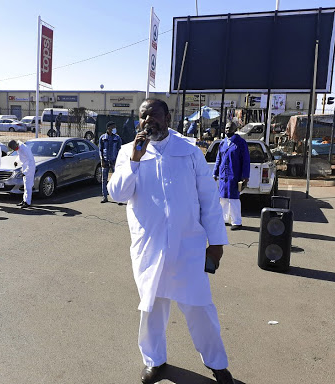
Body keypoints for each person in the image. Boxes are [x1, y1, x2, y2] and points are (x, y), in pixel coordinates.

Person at [108, 99, 235, 384]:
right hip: (149, 247)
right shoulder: (129, 152)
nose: (147, 120)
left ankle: (217, 364)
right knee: (151, 307)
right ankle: (155, 361)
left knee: (200, 307)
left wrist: (216, 242)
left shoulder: (189, 152)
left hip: (187, 246)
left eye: (153, 114)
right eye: (143, 116)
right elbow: (117, 193)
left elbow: (209, 200)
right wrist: (134, 162)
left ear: (167, 117)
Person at [213, 122, 250, 230]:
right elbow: (218, 159)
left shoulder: (240, 143)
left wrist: (245, 176)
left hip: (235, 175)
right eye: (226, 128)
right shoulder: (222, 143)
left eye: (229, 128)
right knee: (223, 198)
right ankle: (223, 219)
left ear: (235, 129)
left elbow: (246, 160)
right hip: (223, 175)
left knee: (233, 199)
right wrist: (215, 173)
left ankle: (236, 221)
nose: (227, 130)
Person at [98, 121, 122, 203]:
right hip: (105, 161)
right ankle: (104, 196)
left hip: (114, 161)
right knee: (104, 179)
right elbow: (100, 150)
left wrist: (118, 161)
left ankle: (118, 197)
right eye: (113, 127)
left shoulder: (117, 138)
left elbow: (120, 150)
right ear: (108, 128)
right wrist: (102, 160)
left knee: (117, 179)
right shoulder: (102, 138)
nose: (114, 129)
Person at [8, 140, 35, 209]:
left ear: (16, 145)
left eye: (15, 148)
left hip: (29, 168)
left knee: (28, 186)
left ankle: (27, 202)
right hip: (24, 167)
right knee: (25, 186)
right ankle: (24, 200)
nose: (15, 150)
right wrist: (16, 161)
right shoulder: (19, 147)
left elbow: (31, 161)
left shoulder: (25, 148)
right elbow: (20, 155)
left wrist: (26, 172)